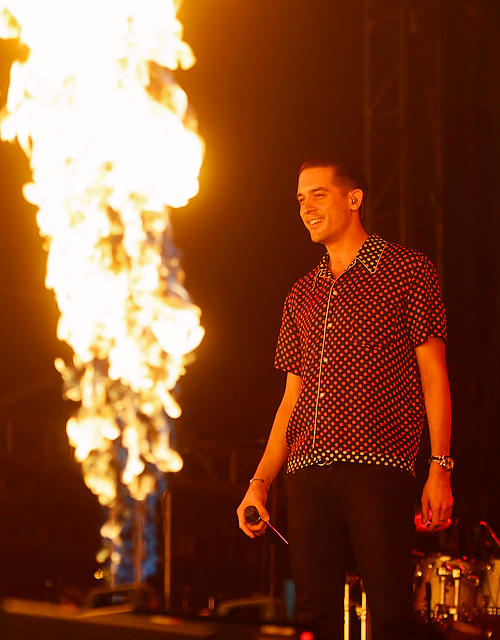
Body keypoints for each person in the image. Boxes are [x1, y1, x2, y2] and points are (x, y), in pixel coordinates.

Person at [236, 155, 453, 640]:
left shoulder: (406, 270)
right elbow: (291, 402)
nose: (306, 207)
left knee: (392, 614)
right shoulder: (301, 294)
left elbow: (434, 375)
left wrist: (440, 466)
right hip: (307, 476)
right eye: (299, 199)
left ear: (353, 199)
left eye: (318, 194)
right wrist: (259, 483)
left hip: (377, 469)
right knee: (314, 621)